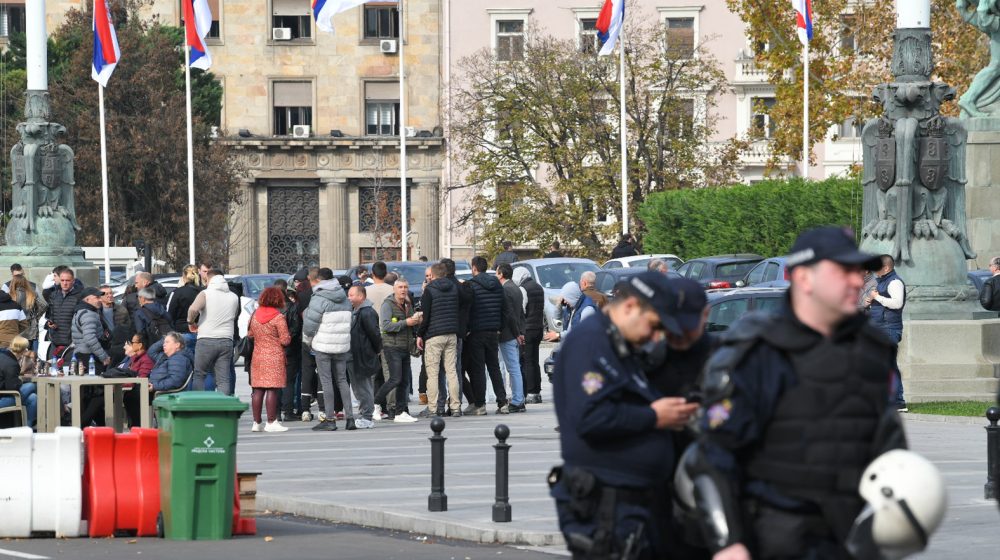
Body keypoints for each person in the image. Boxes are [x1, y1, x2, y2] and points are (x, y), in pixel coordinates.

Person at [685, 227, 908, 560]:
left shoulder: (871, 349)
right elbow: (711, 455)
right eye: (842, 270)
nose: (856, 280)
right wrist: (728, 541)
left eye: (858, 271)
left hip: (848, 538)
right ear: (804, 278)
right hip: (773, 537)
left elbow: (888, 445)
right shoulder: (758, 352)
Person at [549, 271, 700, 559]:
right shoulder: (592, 342)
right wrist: (654, 416)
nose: (655, 336)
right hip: (607, 504)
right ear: (630, 307)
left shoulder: (620, 345)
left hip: (632, 503)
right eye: (654, 326)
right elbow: (590, 417)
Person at [302, 268, 355, 431]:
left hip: (323, 344)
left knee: (326, 381)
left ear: (318, 280)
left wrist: (308, 340)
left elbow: (310, 325)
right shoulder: (344, 297)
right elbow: (351, 320)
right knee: (342, 380)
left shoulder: (319, 297)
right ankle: (350, 418)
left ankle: (330, 419)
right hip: (341, 345)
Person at [416, 262, 462, 417]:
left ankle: (433, 407)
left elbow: (426, 316)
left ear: (433, 275)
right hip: (452, 334)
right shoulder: (454, 287)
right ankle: (455, 406)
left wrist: (420, 334)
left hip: (434, 335)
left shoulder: (430, 290)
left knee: (433, 373)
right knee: (452, 371)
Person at [463, 256, 506, 416]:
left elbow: (468, 310)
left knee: (479, 369)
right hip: (493, 331)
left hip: (476, 332)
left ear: (474, 268)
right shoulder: (497, 284)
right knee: (494, 367)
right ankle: (502, 402)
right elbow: (504, 307)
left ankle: (480, 405)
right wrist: (499, 327)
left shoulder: (471, 285)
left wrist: (467, 328)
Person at [187, 269, 240, 395]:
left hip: (206, 338)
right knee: (223, 378)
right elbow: (235, 314)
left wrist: (191, 323)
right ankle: (223, 408)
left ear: (209, 279)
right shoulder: (233, 297)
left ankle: (200, 405)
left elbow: (193, 309)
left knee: (200, 374)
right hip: (226, 339)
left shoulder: (205, 294)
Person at [865, 254, 907, 412]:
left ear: (887, 268)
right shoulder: (882, 281)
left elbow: (897, 303)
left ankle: (898, 401)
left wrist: (878, 297)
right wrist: (872, 301)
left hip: (889, 328)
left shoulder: (895, 282)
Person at [247, 287, 292, 433]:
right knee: (272, 389)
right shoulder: (278, 317)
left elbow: (250, 334)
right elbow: (285, 340)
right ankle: (271, 421)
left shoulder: (254, 315)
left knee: (258, 389)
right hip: (274, 356)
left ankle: (256, 422)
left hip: (258, 355)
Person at [377, 277, 421, 423]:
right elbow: (386, 326)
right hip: (392, 347)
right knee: (395, 379)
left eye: (405, 287)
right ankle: (375, 403)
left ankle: (400, 412)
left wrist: (416, 320)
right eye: (400, 287)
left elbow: (411, 325)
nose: (403, 290)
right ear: (394, 289)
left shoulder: (408, 303)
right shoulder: (387, 304)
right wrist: (406, 323)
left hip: (405, 347)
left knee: (404, 382)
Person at [348, 284, 381, 428]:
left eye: (351, 295)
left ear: (361, 296)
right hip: (356, 355)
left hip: (363, 355)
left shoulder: (366, 312)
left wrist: (376, 350)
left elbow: (374, 334)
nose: (349, 298)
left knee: (363, 387)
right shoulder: (356, 311)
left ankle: (367, 416)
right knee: (359, 387)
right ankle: (365, 414)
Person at [496, 263, 526, 413]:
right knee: (514, 367)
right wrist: (521, 332)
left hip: (507, 334)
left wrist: (516, 333)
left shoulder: (505, 289)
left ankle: (517, 400)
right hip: (514, 333)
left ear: (501, 274)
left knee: (512, 368)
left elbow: (509, 315)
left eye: (497, 272)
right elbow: (520, 313)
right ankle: (518, 398)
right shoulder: (516, 289)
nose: (496, 275)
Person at [295, 266, 325, 421]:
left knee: (306, 372)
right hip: (322, 337)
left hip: (306, 337)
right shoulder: (324, 295)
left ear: (309, 278)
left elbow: (298, 316)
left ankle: (305, 409)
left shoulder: (303, 295)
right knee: (322, 373)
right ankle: (322, 409)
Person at [514, 267, 545, 404]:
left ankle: (530, 392)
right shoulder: (538, 287)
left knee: (526, 361)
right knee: (534, 360)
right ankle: (537, 391)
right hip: (538, 328)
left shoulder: (523, 288)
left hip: (527, 329)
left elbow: (521, 310)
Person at [274, 279, 303, 422]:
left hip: (274, 348)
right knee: (289, 381)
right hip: (290, 348)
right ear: (286, 290)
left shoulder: (270, 308)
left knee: (276, 382)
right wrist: (286, 339)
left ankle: (277, 411)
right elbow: (296, 328)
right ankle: (288, 411)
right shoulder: (292, 307)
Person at [44, 268, 83, 359]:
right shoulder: (54, 295)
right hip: (55, 340)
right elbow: (49, 315)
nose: (65, 283)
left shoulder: (79, 296)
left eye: (67, 280)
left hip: (71, 342)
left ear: (73, 281)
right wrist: (49, 323)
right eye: (62, 280)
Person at [72, 287, 112, 375]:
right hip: (89, 356)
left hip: (82, 353)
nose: (100, 300)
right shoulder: (88, 314)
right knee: (96, 386)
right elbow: (90, 338)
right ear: (87, 299)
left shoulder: (81, 311)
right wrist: (104, 357)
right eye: (97, 297)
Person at [0, 336, 37, 427]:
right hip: (2, 399)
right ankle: (28, 428)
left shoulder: (3, 354)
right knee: (32, 386)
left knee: (33, 398)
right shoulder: (12, 364)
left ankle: (27, 428)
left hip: (2, 394)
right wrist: (19, 381)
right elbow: (12, 387)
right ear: (24, 350)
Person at [122, 332, 156, 427]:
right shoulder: (134, 359)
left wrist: (123, 384)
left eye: (133, 342)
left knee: (130, 397)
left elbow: (141, 380)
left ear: (140, 345)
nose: (131, 344)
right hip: (131, 390)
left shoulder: (146, 360)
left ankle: (136, 427)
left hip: (141, 393)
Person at [167, 265, 202, 346]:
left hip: (181, 333)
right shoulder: (204, 293)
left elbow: (169, 314)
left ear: (184, 276)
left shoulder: (177, 293)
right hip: (201, 333)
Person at [9, 275, 46, 352]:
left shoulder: (10, 296)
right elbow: (44, 305)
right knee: (33, 356)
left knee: (18, 354)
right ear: (26, 283)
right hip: (32, 327)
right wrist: (36, 316)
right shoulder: (31, 294)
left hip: (17, 328)